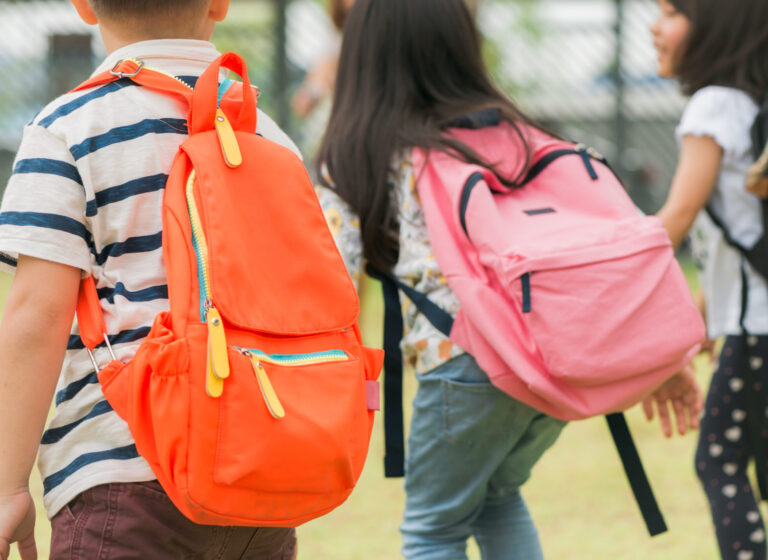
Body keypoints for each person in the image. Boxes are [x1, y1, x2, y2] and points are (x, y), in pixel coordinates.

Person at [315, 1, 700, 558]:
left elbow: (333, 282)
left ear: (364, 54)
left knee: (432, 528)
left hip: (462, 360)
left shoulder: (359, 151)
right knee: (498, 497)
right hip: (545, 356)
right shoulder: (520, 134)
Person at [0, 1, 301, 558]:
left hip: (121, 471)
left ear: (85, 7)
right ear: (219, 4)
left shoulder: (68, 128)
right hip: (259, 473)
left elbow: (36, 316)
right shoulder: (266, 135)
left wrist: (7, 485)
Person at [648, 1, 768, 558]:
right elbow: (739, 242)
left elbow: (679, 215)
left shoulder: (715, 104)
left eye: (671, 12)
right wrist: (699, 317)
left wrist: (616, 280)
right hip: (749, 322)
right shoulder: (751, 105)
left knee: (718, 460)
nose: (656, 27)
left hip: (756, 331)